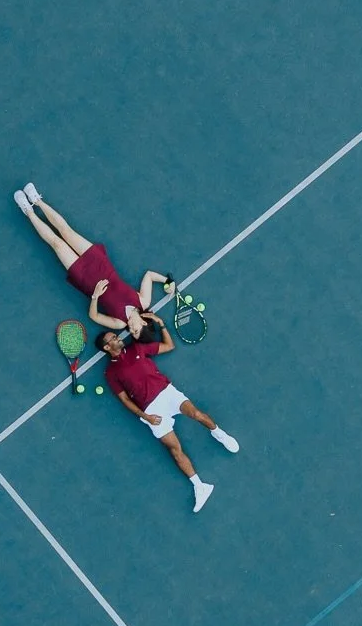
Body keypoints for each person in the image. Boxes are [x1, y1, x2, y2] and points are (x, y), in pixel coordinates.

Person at [97, 314, 239, 513]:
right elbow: (124, 400)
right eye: (113, 339)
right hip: (150, 410)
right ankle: (200, 486)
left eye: (116, 336)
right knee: (174, 449)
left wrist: (161, 324)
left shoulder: (137, 347)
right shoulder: (110, 373)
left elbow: (169, 346)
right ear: (106, 347)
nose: (118, 338)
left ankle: (219, 433)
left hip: (167, 393)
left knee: (197, 414)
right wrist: (145, 417)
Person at [14, 182, 168, 338]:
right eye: (135, 331)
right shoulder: (143, 302)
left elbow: (94, 316)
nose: (131, 330)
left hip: (86, 279)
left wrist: (95, 296)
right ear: (142, 323)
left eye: (132, 333)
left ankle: (28, 211)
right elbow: (149, 275)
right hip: (101, 264)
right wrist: (167, 281)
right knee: (67, 232)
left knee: (57, 244)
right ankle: (37, 200)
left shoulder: (119, 323)